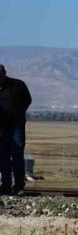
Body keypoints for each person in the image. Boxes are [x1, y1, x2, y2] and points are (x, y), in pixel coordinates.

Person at [0, 64, 32, 196]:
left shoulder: (18, 85)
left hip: (16, 126)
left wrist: (18, 113)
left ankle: (19, 186)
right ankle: (6, 186)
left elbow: (28, 99)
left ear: (4, 72)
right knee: (3, 157)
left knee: (17, 156)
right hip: (1, 128)